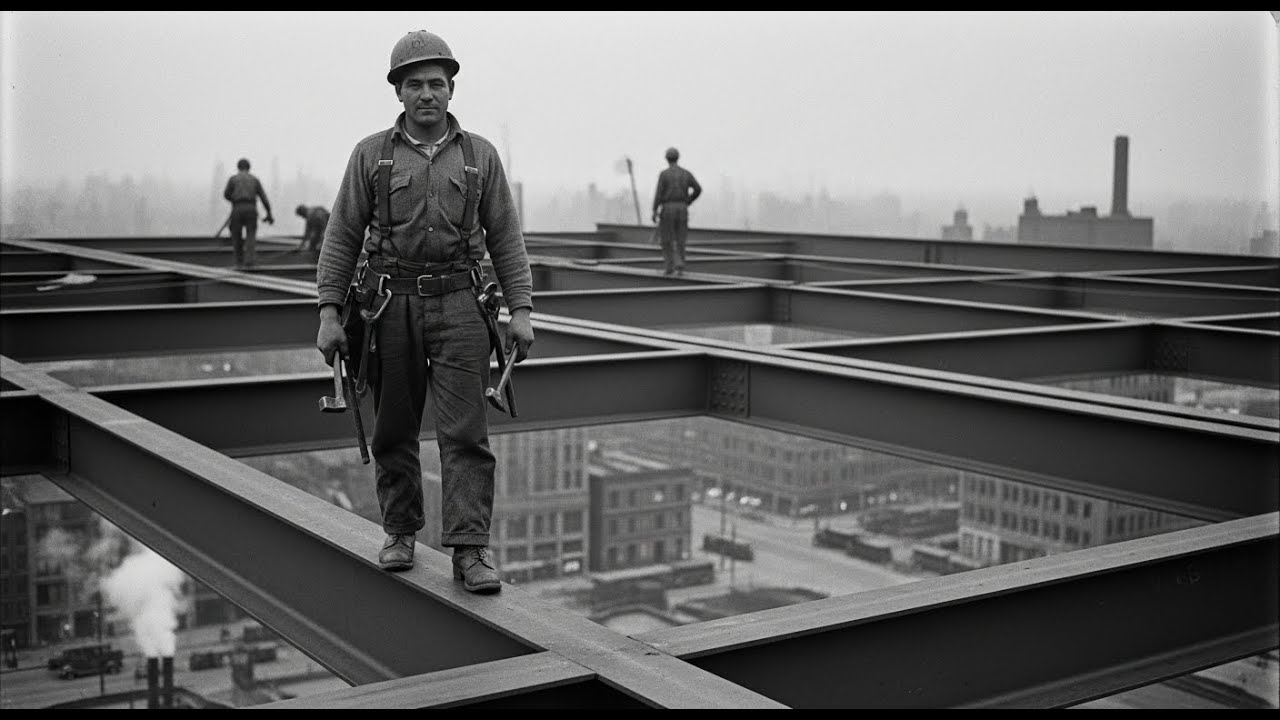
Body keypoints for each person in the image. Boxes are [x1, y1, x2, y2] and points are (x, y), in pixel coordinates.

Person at [314, 29, 535, 594]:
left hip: (463, 304)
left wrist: (522, 311)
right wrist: (330, 313)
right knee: (393, 427)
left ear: (452, 89)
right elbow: (341, 235)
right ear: (399, 92)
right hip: (391, 304)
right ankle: (400, 531)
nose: (427, 94)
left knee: (465, 433)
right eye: (415, 84)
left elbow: (506, 237)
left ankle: (470, 549)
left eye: (437, 83)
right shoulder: (371, 155)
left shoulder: (480, 155)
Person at [651, 147, 702, 275]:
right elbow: (698, 189)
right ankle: (680, 266)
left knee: (667, 238)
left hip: (668, 208)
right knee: (681, 238)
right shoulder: (686, 173)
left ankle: (670, 267)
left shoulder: (664, 174)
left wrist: (654, 210)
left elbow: (658, 194)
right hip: (682, 209)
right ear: (677, 158)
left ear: (667, 159)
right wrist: (688, 201)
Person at [223, 158, 274, 268]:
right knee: (250, 235)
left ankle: (239, 262)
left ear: (238, 167)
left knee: (236, 236)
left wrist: (235, 200)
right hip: (251, 209)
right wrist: (269, 213)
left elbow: (226, 194)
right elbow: (263, 198)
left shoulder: (233, 179)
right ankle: (249, 261)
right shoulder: (254, 180)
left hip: (237, 209)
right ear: (249, 167)